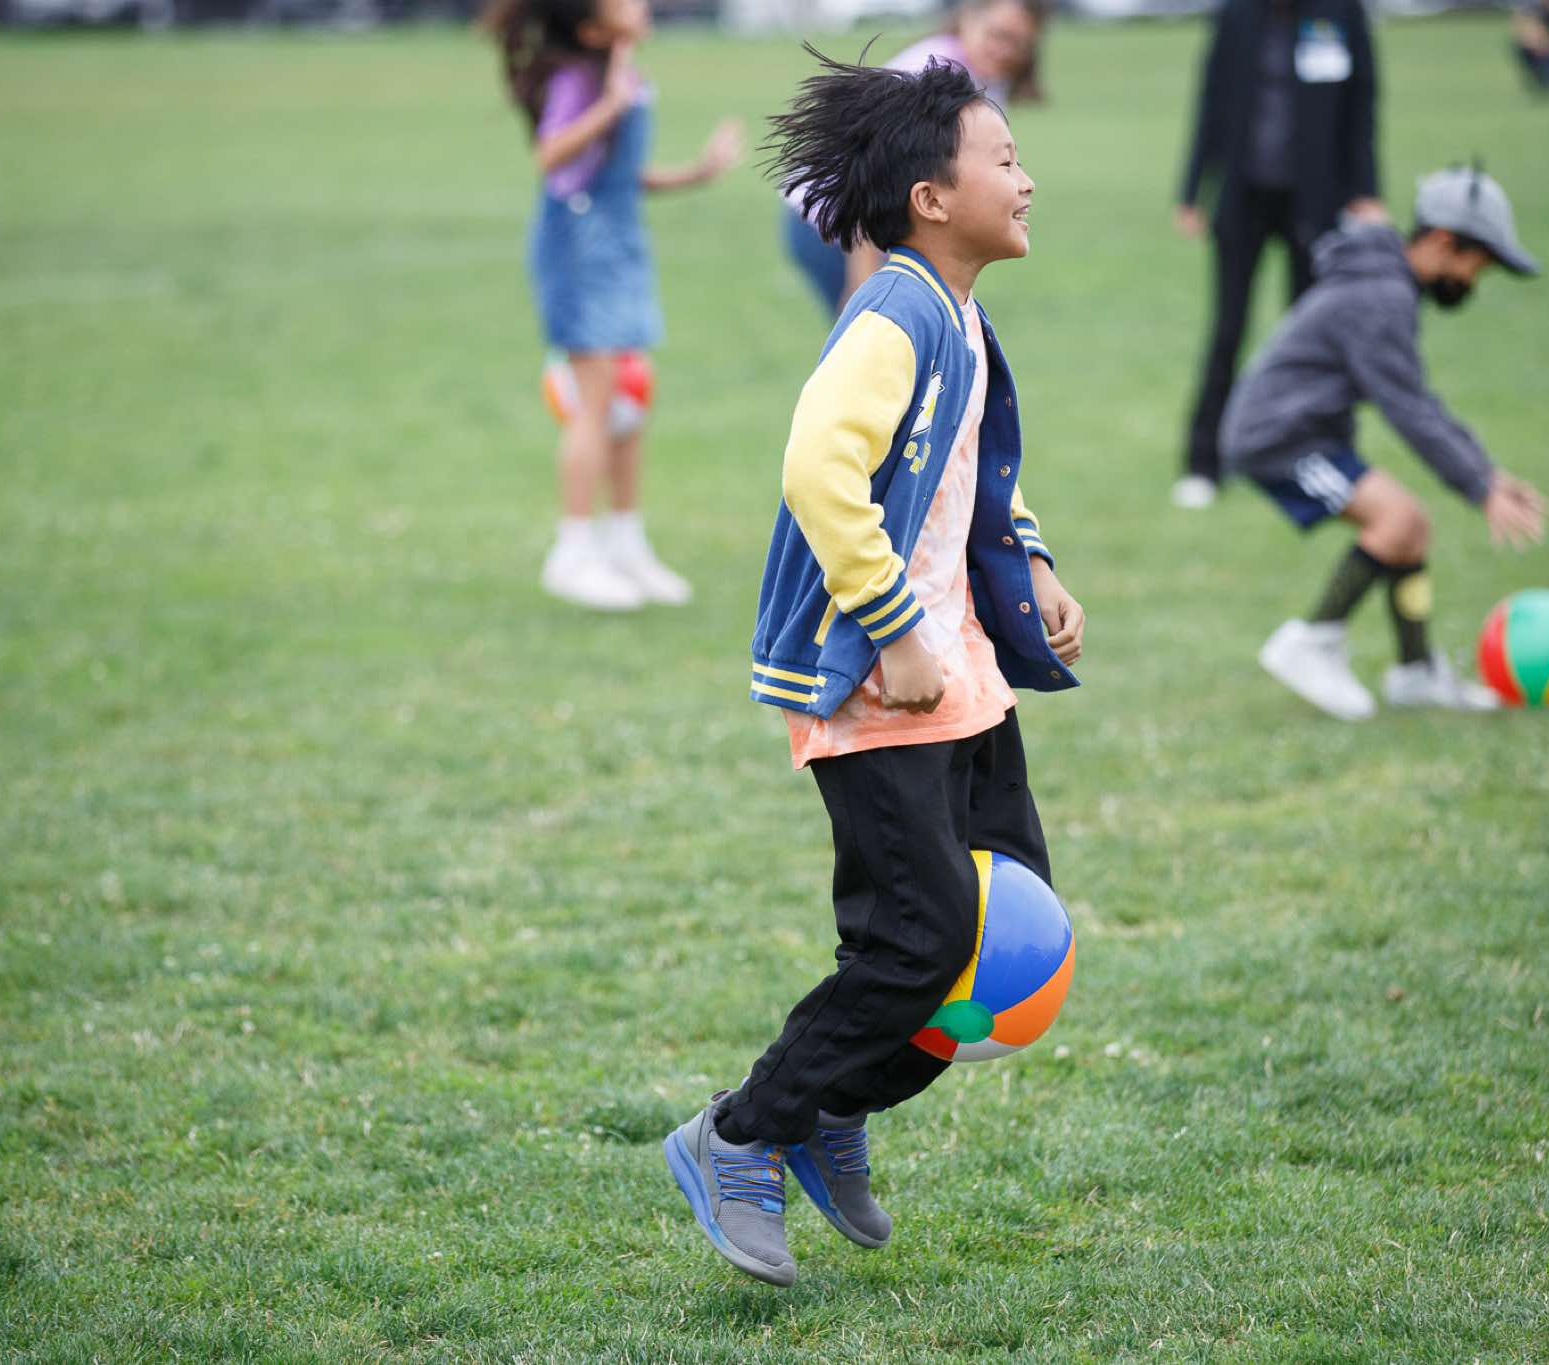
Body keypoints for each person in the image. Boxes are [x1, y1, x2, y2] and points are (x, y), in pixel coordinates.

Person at [663, 50, 1084, 1287]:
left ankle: (829, 1108)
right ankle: (739, 1135)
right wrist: (896, 628)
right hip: (879, 683)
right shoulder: (895, 315)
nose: (1025, 179)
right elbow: (816, 468)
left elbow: (969, 474)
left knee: (1001, 938)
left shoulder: (958, 316)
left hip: (961, 679)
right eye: (1003, 160)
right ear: (929, 198)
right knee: (919, 945)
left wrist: (1032, 562)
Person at [1220, 165, 1549, 721]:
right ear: (1443, 243)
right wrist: (1478, 485)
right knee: (1397, 521)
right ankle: (1311, 642)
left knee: (1411, 527)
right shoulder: (1381, 296)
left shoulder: (1384, 284)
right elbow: (1409, 410)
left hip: (1301, 431)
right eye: (1477, 264)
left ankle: (1415, 673)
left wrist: (1487, 474)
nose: (1474, 281)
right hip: (1276, 437)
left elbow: (1416, 399)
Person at [484, 0, 744, 610]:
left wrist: (696, 174)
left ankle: (625, 544)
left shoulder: (620, 73)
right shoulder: (580, 81)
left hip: (619, 248)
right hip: (579, 251)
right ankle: (572, 552)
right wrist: (609, 104)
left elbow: (616, 174)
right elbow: (550, 155)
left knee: (630, 402)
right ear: (593, 29)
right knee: (596, 404)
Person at [1170, 0, 1382, 511]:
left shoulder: (1342, 13)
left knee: (1316, 336)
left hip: (1317, 199)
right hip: (1243, 197)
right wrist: (1194, 189)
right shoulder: (1236, 14)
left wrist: (1365, 190)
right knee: (1228, 330)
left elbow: (1361, 104)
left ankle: (1321, 455)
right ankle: (1203, 464)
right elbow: (1212, 99)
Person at [780, 0, 1048, 317]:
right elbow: (873, 176)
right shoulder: (932, 75)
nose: (1005, 50)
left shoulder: (983, 79)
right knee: (871, 331)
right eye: (998, 35)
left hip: (882, 224)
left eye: (1019, 43)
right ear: (967, 19)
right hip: (834, 223)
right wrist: (863, 280)